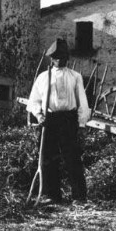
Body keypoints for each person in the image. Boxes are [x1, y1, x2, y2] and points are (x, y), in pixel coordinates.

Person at [26, 39, 91, 204]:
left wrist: (82, 123)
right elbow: (33, 100)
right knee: (48, 157)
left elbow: (82, 101)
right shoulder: (43, 77)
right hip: (50, 120)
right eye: (56, 57)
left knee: (72, 158)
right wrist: (39, 115)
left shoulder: (75, 76)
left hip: (68, 120)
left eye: (62, 56)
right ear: (51, 58)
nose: (59, 60)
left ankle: (79, 196)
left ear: (67, 57)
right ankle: (52, 195)